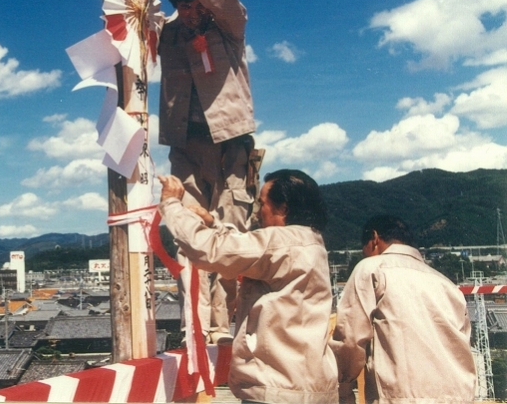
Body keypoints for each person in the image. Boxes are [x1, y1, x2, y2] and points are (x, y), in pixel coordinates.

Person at [95, 0, 260, 343]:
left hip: (231, 148)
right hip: (185, 150)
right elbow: (126, 11)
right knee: (188, 234)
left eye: (195, 1)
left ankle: (232, 333)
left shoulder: (229, 25)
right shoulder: (166, 33)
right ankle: (196, 332)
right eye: (182, 5)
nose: (190, 11)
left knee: (231, 233)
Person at [158, 169, 338, 403]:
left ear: (282, 208)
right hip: (312, 385)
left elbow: (209, 250)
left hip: (276, 388)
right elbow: (244, 249)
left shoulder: (280, 241)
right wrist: (214, 223)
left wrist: (171, 204)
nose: (258, 211)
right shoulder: (311, 241)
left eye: (262, 203)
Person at [331, 215, 476, 403]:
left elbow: (350, 339)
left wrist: (342, 387)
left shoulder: (371, 268)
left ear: (374, 239)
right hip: (459, 396)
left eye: (364, 250)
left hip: (402, 396)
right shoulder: (446, 284)